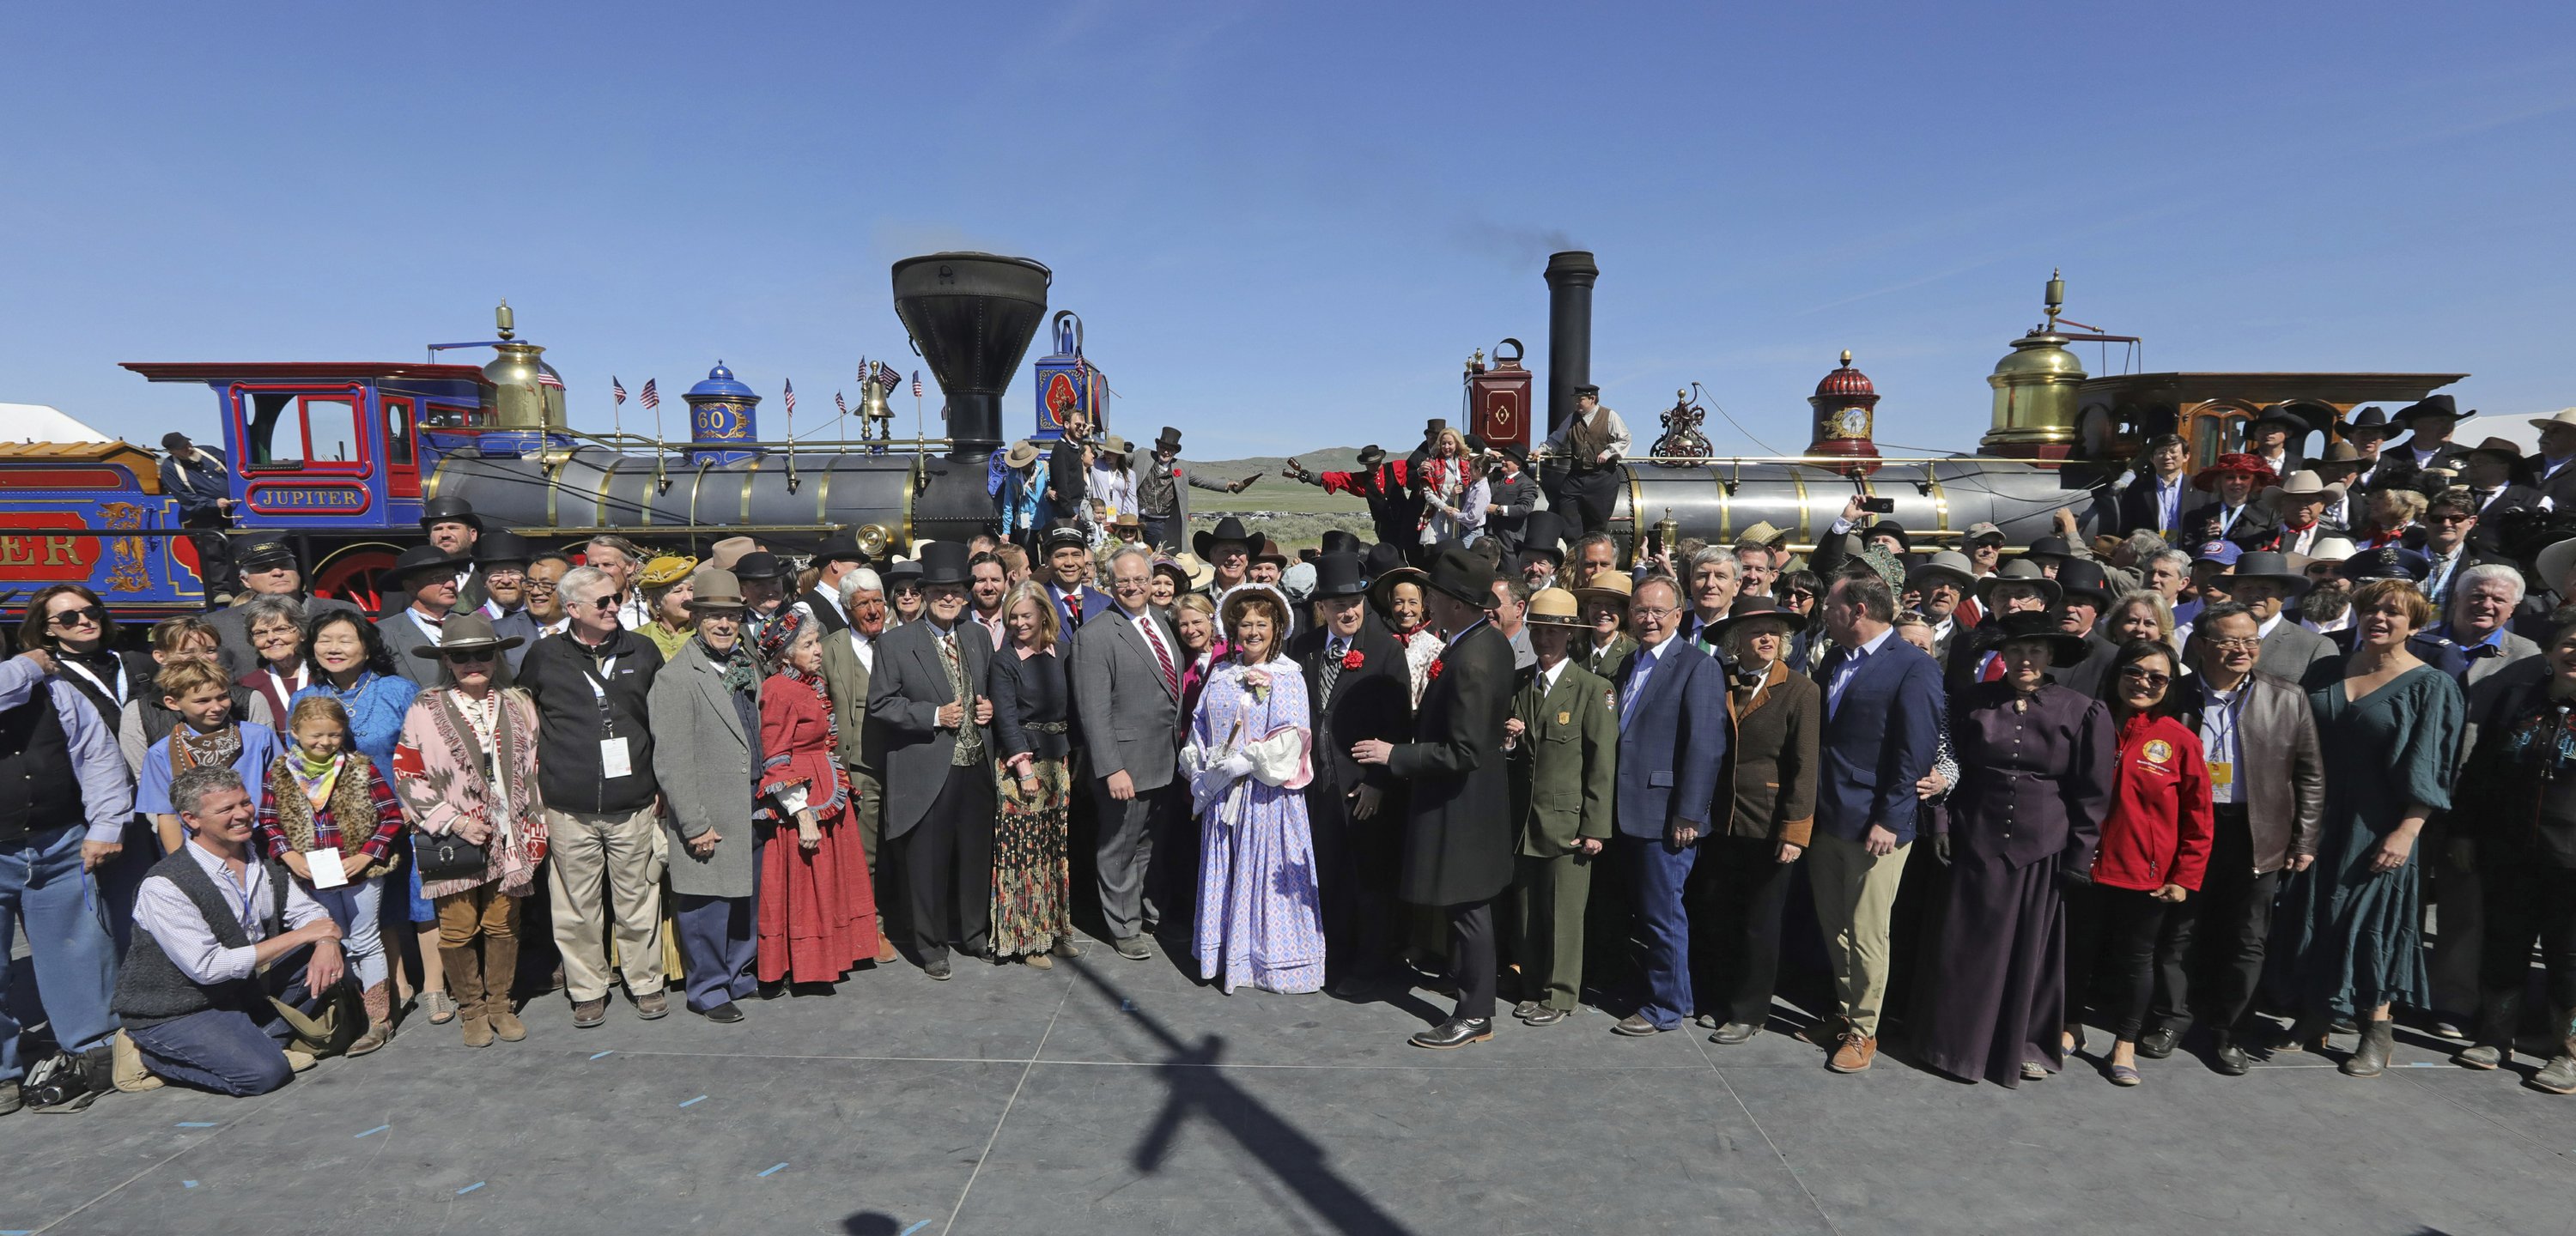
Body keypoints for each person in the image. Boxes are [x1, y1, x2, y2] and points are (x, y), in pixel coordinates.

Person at [1911, 612, 2114, 1087]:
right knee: (1964, 947)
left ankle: (2022, 1045)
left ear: (2050, 658)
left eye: (2037, 652)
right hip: (1973, 840)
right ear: (2004, 654)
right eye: (2018, 650)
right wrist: (1939, 822)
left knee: (2031, 954)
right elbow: (1944, 763)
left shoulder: (2081, 710)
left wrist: (2080, 857)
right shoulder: (1973, 702)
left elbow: (2093, 793)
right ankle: (1950, 1044)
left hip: (2040, 851)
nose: (2026, 660)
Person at [2269, 579, 2464, 1076]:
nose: (2379, 619)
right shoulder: (2328, 668)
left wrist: (2407, 831)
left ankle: (2377, 1029)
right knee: (2314, 911)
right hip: (2317, 816)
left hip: (2380, 825)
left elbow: (2432, 767)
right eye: (2371, 609)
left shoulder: (2430, 684)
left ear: (2415, 624)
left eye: (2394, 613)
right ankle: (2315, 1015)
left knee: (2370, 922)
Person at [2146, 601, 2324, 1073]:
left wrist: (2304, 839)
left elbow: (2309, 774)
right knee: (2179, 930)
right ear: (2202, 646)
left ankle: (2229, 1031)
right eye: (2230, 641)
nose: (2243, 650)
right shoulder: (2175, 695)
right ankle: (2171, 1019)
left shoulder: (2287, 696)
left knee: (2248, 938)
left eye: (2251, 640)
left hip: (2257, 830)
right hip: (2188, 831)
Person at [1354, 546, 1519, 1049]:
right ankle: (1473, 1003)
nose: (1426, 600)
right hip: (1468, 804)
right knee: (1467, 911)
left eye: (1433, 594)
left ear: (1453, 603)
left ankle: (1474, 1014)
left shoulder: (1470, 658)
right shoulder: (1482, 642)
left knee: (1468, 912)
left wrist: (1394, 754)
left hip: (1461, 808)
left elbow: (1463, 750)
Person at [114, 766, 343, 1096]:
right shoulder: (165, 885)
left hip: (239, 988)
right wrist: (301, 936)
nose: (243, 815)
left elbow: (306, 911)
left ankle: (249, 1041)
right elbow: (209, 967)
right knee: (264, 1074)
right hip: (181, 1006)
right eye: (226, 809)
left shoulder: (262, 853)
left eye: (245, 803)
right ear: (191, 819)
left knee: (327, 961)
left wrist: (324, 939)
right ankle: (148, 1055)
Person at [519, 564, 669, 1027]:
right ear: (573, 609)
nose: (613, 607)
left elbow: (661, 724)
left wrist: (662, 785)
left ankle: (645, 982)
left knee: (639, 900)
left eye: (615, 598)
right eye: (601, 602)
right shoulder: (543, 656)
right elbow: (526, 723)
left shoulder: (642, 651)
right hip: (568, 805)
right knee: (575, 907)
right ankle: (587, 988)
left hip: (636, 802)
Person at [1807, 574, 1944, 1074]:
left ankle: (1865, 1031)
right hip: (1828, 817)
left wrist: (1891, 817)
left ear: (1858, 609)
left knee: (1867, 932)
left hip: (1877, 827)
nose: (1825, 611)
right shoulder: (1835, 661)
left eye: (1832, 604)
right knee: (1835, 926)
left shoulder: (1912, 667)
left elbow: (1916, 751)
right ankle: (1845, 1016)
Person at [392, 615, 545, 1048]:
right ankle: (471, 1010)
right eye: (461, 656)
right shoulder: (426, 706)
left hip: (511, 834)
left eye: (482, 654)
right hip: (452, 835)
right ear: (447, 661)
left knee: (503, 922)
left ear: (496, 657)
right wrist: (455, 820)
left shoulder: (518, 703)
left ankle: (500, 1005)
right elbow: (407, 771)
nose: (472, 663)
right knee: (458, 926)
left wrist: (532, 824)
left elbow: (533, 767)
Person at [2062, 640, 2209, 1086]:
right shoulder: (2091, 722)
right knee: (2075, 952)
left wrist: (2184, 877)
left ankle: (2125, 1043)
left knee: (2136, 961)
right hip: (2084, 865)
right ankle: (2069, 1027)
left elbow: (2198, 818)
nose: (2143, 682)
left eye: (2157, 677)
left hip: (2145, 875)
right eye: (2134, 671)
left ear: (2169, 686)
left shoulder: (2179, 740)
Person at [0, 641, 135, 1112]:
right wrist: (23, 668)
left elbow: (97, 756)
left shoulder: (55, 689)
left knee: (80, 957)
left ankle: (95, 1054)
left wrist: (104, 825)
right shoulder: (28, 671)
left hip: (59, 843)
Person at [2446, 621, 2576, 1091]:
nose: (2574, 653)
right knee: (2504, 941)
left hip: (2572, 861)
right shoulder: (2516, 699)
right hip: (2509, 849)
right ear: (2547, 650)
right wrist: (2463, 832)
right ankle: (2496, 1035)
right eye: (2568, 643)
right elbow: (2479, 772)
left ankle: (2567, 1053)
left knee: (2569, 957)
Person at [287, 610, 433, 1021]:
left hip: (405, 813)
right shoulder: (305, 698)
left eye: (345, 640)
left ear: (367, 646)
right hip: (342, 828)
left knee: (422, 899)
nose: (334, 648)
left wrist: (415, 803)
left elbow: (424, 748)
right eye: (324, 640)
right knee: (372, 909)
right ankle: (395, 985)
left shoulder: (398, 690)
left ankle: (437, 987)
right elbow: (297, 766)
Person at [1180, 585, 1325, 994]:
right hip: (1222, 793)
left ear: (1277, 628)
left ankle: (1270, 963)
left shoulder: (1287, 675)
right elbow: (1200, 722)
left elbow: (1296, 736)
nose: (1253, 632)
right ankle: (1226, 955)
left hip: (1267, 798)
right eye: (1245, 624)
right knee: (1227, 872)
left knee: (1262, 876)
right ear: (1232, 629)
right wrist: (1198, 763)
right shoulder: (1222, 672)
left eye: (1262, 624)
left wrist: (1248, 760)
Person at [1605, 576, 1730, 1037]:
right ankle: (1668, 991)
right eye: (1640, 610)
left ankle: (1666, 1007)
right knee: (1647, 911)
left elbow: (1705, 745)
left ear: (1680, 614)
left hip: (1667, 815)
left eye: (1659, 611)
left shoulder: (1697, 666)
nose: (1649, 619)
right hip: (1628, 808)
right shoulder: (1630, 663)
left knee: (1663, 913)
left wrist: (1689, 812)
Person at [869, 542, 998, 980]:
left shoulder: (977, 635)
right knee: (927, 861)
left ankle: (975, 933)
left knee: (976, 854)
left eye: (957, 590)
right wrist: (932, 715)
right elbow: (881, 704)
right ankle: (932, 946)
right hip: (926, 769)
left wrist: (988, 710)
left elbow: (989, 690)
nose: (950, 597)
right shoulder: (896, 643)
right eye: (940, 590)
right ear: (923, 594)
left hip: (975, 764)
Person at [1697, 601, 1820, 1045]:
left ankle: (1750, 1011)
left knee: (1759, 921)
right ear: (1735, 641)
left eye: (1774, 632)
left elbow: (1805, 768)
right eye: (1756, 632)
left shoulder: (1801, 690)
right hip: (1718, 820)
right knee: (1719, 913)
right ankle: (1722, 998)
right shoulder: (1718, 678)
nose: (1767, 639)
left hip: (1768, 824)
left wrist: (1794, 832)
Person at [1288, 553, 1411, 993]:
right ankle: (1331, 958)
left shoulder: (1384, 649)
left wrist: (1378, 782)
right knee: (1328, 875)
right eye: (1338, 604)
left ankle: (1369, 967)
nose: (1349, 611)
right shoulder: (1303, 647)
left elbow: (1398, 725)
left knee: (1368, 881)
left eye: (1355, 602)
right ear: (1321, 607)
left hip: (1362, 787)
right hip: (1316, 787)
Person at [255, 696, 406, 1056]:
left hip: (359, 872)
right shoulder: (280, 772)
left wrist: (368, 854)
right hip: (313, 874)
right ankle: (351, 1008)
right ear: (295, 733)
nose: (325, 743)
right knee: (336, 939)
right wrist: (289, 855)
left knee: (366, 939)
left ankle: (378, 1019)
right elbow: (269, 821)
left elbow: (391, 817)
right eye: (315, 736)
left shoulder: (359, 768)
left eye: (334, 735)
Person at [647, 568, 764, 1021]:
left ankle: (736, 973)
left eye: (731, 616)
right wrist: (693, 823)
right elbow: (672, 761)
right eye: (713, 615)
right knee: (705, 905)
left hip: (751, 801)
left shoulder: (744, 666)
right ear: (697, 618)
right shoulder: (676, 679)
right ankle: (708, 989)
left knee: (743, 898)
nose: (723, 624)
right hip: (709, 809)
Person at [1498, 586, 1616, 1026]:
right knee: (1528, 912)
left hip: (1567, 820)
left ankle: (1561, 994)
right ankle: (1532, 986)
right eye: (1539, 630)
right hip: (1526, 819)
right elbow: (1513, 754)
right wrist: (1509, 742)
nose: (1545, 639)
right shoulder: (1521, 682)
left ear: (1570, 635)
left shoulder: (1592, 688)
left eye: (1554, 631)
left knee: (1564, 914)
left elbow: (1602, 764)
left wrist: (1595, 827)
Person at [749, 611, 884, 989]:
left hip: (827, 786)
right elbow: (777, 756)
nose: (818, 651)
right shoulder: (778, 689)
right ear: (786, 654)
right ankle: (807, 964)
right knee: (809, 883)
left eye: (816, 642)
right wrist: (801, 812)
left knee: (832, 878)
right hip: (804, 798)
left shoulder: (809, 684)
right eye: (807, 645)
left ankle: (837, 954)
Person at [1072, 546, 1189, 961]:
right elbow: (1093, 710)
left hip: (1166, 759)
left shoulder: (1160, 620)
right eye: (1124, 581)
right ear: (1110, 584)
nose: (1134, 587)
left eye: (1141, 579)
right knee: (1120, 846)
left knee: (1149, 845)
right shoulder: (1096, 635)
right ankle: (1122, 927)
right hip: (1127, 765)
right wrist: (1112, 768)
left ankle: (1144, 912)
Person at [986, 582, 1080, 968]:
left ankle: (1055, 929)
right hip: (1020, 767)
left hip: (1058, 763)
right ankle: (1027, 940)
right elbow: (1006, 717)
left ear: (1044, 613)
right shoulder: (1005, 660)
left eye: (1026, 615)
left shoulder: (1063, 652)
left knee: (1054, 850)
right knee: (1024, 854)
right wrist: (1024, 770)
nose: (1020, 623)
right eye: (1013, 617)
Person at [817, 569, 898, 954]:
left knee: (908, 850)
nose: (872, 610)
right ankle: (873, 928)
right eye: (862, 603)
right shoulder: (829, 649)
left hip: (907, 765)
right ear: (847, 609)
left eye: (877, 601)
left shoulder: (904, 642)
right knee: (866, 854)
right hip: (861, 768)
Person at [138, 659, 281, 857]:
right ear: (173, 703)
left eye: (222, 697)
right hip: (201, 847)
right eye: (202, 701)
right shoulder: (160, 754)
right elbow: (167, 816)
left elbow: (283, 793)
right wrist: (184, 868)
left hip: (262, 839)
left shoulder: (259, 737)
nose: (216, 707)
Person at [209, 537, 361, 676]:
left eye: (284, 565)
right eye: (264, 568)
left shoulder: (345, 611)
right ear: (245, 581)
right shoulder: (220, 624)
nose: (278, 572)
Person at [2225, 552, 2342, 691]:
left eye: (2265, 588)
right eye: (2246, 588)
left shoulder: (2316, 647)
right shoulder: (2208, 637)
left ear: (2283, 593)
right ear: (2232, 592)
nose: (2254, 594)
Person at [1132, 426, 1254, 552]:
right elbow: (1121, 459)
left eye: (1170, 450)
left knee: (1147, 554)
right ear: (1157, 447)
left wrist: (1226, 484)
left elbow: (1202, 480)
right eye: (1163, 448)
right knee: (1127, 551)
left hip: (1159, 523)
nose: (1166, 452)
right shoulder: (1143, 456)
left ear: (1175, 452)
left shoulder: (1182, 467)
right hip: (1135, 518)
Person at [1536, 384, 1631, 537]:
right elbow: (1557, 439)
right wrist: (1542, 450)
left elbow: (1625, 439)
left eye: (1580, 399)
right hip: (1576, 476)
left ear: (1592, 399)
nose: (1577, 403)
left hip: (1602, 477)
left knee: (1598, 523)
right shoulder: (1572, 418)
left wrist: (1609, 452)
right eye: (1576, 399)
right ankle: (1574, 549)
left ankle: (1593, 550)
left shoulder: (1610, 416)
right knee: (1566, 508)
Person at [1285, 445, 1418, 548]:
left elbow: (1415, 465)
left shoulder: (1396, 468)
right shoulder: (1361, 479)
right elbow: (1337, 478)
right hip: (1384, 527)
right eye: (1369, 464)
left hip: (1406, 521)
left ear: (1380, 460)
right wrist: (1310, 477)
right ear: (1364, 464)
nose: (1373, 466)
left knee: (1412, 551)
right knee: (1390, 555)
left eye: (1376, 463)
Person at [376, 545, 469, 691]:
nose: (451, 584)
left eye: (452, 576)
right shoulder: (383, 634)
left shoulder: (476, 624)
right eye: (439, 578)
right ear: (411, 587)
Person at [161, 431, 238, 596]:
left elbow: (236, 465)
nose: (188, 448)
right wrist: (213, 504)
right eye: (182, 447)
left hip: (237, 508)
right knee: (214, 552)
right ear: (172, 452)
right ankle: (221, 591)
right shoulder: (169, 469)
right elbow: (185, 498)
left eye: (188, 443)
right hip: (207, 515)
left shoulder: (209, 451)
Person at [1370, 563, 1448, 707]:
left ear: (1423, 605)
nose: (1405, 610)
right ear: (1390, 604)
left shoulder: (1434, 647)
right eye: (1399, 602)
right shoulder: (1377, 641)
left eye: (1413, 602)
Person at [2182, 452, 2281, 553]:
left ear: (2254, 482)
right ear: (2219, 481)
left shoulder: (2269, 515)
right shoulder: (2198, 516)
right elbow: (2188, 553)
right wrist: (2205, 537)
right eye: (2230, 477)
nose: (2237, 482)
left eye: (2244, 478)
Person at [471, 533, 540, 673]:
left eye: (514, 572)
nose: (506, 580)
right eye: (496, 574)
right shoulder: (472, 623)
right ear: (484, 580)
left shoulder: (542, 618)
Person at [1412, 426, 1489, 546]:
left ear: (1457, 444)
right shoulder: (1432, 463)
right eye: (1443, 444)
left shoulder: (1466, 462)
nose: (1446, 447)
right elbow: (1428, 494)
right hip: (1439, 515)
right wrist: (1445, 507)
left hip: (1460, 516)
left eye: (1450, 443)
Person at [1039, 521, 1113, 636]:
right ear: (1046, 560)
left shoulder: (1105, 604)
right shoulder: (1034, 603)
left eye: (1076, 555)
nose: (1070, 563)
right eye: (1061, 555)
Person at [2116, 434, 2193, 541]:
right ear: (2152, 458)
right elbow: (2126, 529)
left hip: (2189, 553)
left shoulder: (2200, 489)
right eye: (2161, 452)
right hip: (2149, 552)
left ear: (2186, 457)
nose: (2167, 457)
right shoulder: (2136, 492)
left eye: (2173, 452)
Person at [799, 534, 870, 635]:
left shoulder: (857, 600)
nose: (860, 574)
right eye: (856, 568)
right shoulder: (805, 607)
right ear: (834, 565)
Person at [1575, 570, 1637, 683]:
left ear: (1624, 613)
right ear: (1587, 608)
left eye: (1612, 606)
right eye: (1596, 604)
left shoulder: (1634, 654)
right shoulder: (1572, 648)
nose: (1603, 612)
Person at [1675, 547, 1741, 651]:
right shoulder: (1673, 627)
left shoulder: (1745, 632)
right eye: (1703, 576)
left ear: (1736, 586)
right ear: (1691, 581)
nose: (1710, 584)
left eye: (1720, 576)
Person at [635, 554, 699, 661]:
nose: (688, 597)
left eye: (691, 589)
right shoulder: (638, 638)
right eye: (678, 591)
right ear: (656, 599)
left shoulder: (707, 632)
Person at [1174, 593, 1223, 721]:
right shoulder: (1180, 662)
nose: (1190, 630)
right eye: (1183, 625)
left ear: (1211, 620)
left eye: (1197, 622)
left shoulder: (1233, 653)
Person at [1484, 444, 1539, 554]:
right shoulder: (1494, 479)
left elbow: (1525, 508)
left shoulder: (1527, 483)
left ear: (1518, 464)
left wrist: (1498, 509)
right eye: (1504, 458)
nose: (1503, 461)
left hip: (1509, 540)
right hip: (1488, 536)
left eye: (1508, 459)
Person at [2104, 590, 2178, 654]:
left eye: (2149, 623)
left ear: (2162, 633)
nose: (2140, 629)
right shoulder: (2097, 665)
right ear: (2115, 626)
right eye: (2132, 621)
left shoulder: (2176, 670)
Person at [1490, 575, 1535, 670]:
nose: (1486, 609)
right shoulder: (1472, 645)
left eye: (1494, 603)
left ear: (1519, 608)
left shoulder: (1536, 651)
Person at [968, 551, 1012, 648]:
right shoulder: (957, 620)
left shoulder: (1016, 618)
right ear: (969, 584)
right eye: (981, 580)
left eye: (995, 580)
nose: (989, 587)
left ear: (1005, 581)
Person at [525, 552, 572, 638]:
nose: (535, 592)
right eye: (530, 583)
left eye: (546, 584)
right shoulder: (502, 631)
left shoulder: (590, 628)